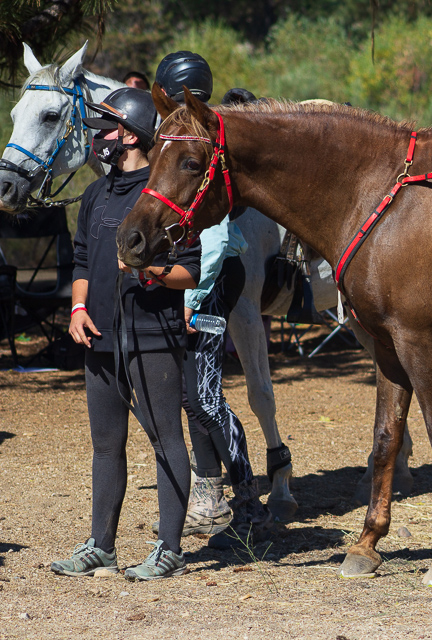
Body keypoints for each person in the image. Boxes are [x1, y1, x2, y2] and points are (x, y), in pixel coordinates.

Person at [50, 88, 201, 581]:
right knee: (105, 445)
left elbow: (190, 274)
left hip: (152, 334)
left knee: (165, 441)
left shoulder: (165, 190)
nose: (99, 139)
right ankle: (101, 546)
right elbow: (79, 259)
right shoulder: (96, 193)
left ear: (132, 134)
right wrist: (76, 306)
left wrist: (150, 271)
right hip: (98, 336)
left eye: (107, 130)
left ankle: (171, 549)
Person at [153, 51, 274, 550]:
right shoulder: (181, 132)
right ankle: (215, 490)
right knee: (195, 397)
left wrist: (194, 296)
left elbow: (219, 239)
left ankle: (244, 496)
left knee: (203, 397)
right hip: (198, 278)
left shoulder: (205, 137)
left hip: (212, 280)